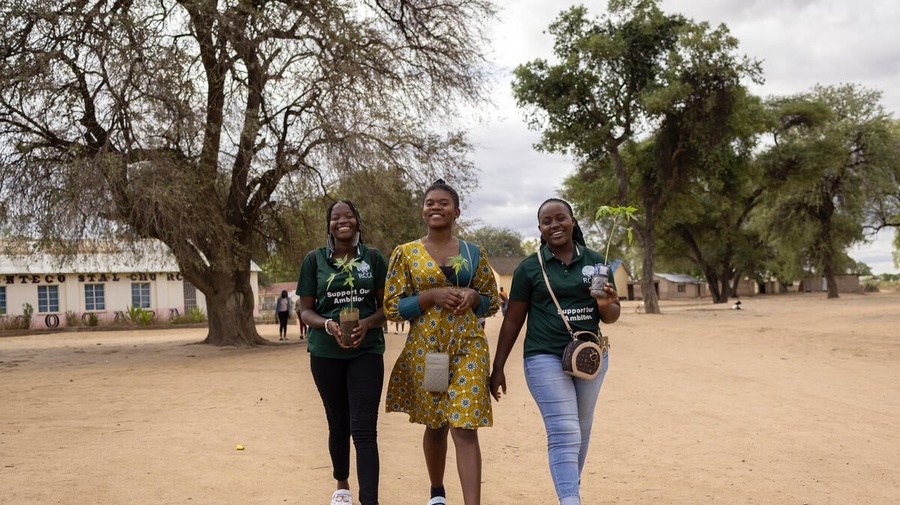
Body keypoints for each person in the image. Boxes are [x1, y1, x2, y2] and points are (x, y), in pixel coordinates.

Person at [489, 198, 621, 505]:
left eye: (560, 218)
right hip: (544, 355)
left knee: (582, 429)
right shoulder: (529, 267)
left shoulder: (597, 263)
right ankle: (570, 500)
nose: (554, 225)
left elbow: (611, 316)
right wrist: (498, 367)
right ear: (540, 229)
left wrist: (605, 304)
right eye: (547, 221)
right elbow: (513, 321)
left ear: (573, 221)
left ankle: (569, 491)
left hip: (589, 356)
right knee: (564, 429)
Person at [383, 179, 500, 505]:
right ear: (423, 211)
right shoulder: (405, 254)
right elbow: (393, 307)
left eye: (443, 203)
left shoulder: (473, 253)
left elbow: (492, 303)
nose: (436, 207)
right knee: (436, 423)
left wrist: (476, 296)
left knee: (464, 426)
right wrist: (429, 296)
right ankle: (437, 491)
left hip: (468, 348)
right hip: (430, 352)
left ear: (457, 211)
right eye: (430, 202)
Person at [296, 200, 388, 505]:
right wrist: (327, 325)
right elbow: (305, 310)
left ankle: (370, 500)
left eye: (348, 216)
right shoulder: (314, 261)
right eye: (336, 217)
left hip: (367, 352)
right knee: (338, 422)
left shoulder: (373, 259)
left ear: (358, 223)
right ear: (329, 225)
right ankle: (342, 487)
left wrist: (368, 322)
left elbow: (387, 307)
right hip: (325, 353)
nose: (342, 221)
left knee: (364, 428)